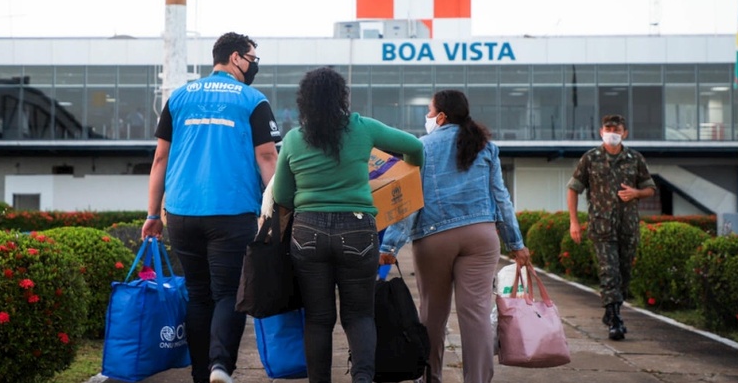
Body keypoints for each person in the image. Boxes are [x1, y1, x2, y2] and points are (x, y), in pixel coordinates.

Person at [142, 32, 281, 383]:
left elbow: (160, 158)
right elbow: (267, 157)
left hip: (182, 213)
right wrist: (281, 209)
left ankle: (201, 375)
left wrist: (152, 215)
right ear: (236, 58)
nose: (254, 66)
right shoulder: (252, 100)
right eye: (252, 58)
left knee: (199, 294)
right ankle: (221, 366)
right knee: (227, 294)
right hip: (231, 214)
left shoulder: (179, 97)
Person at [272, 67, 423, 383]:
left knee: (318, 317)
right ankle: (363, 379)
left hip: (307, 233)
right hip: (357, 231)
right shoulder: (363, 128)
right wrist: (404, 173)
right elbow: (415, 147)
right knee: (358, 316)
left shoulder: (293, 139)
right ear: (342, 97)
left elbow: (283, 194)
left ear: (304, 101)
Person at [378, 89, 530, 383]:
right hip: (481, 237)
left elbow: (408, 204)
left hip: (435, 239)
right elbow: (501, 198)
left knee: (432, 315)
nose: (427, 117)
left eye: (430, 111)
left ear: (442, 116)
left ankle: (430, 378)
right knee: (476, 316)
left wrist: (390, 246)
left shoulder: (421, 147)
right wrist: (516, 244)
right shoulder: (486, 147)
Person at [567, 114, 655, 341]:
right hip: (601, 227)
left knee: (624, 274)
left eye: (616, 129)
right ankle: (615, 319)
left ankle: (612, 309)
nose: (612, 132)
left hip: (628, 227)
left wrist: (636, 193)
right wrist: (574, 222)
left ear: (624, 133)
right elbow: (573, 188)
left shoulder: (634, 159)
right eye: (608, 128)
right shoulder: (591, 158)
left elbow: (649, 188)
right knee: (609, 271)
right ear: (601, 132)